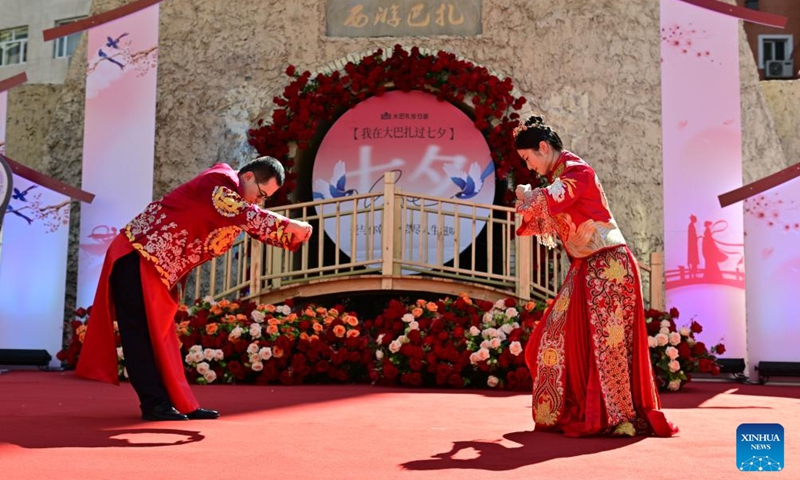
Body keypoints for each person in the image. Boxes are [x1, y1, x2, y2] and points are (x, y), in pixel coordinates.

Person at [76, 156, 312, 421]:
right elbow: (245, 214)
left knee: (162, 336)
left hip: (156, 267)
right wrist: (289, 225)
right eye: (260, 194)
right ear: (247, 177)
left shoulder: (235, 201)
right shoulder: (218, 183)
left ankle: (178, 403)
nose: (258, 201)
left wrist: (291, 235)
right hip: (136, 256)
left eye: (263, 198)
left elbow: (254, 224)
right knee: (141, 335)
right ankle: (155, 404)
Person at [513, 115, 678, 437]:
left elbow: (549, 200)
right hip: (588, 266)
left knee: (609, 346)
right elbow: (547, 210)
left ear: (543, 148)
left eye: (527, 157)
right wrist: (530, 198)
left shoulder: (578, 172)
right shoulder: (564, 175)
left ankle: (618, 418)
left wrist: (528, 196)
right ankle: (583, 410)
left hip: (609, 267)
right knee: (552, 338)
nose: (529, 165)